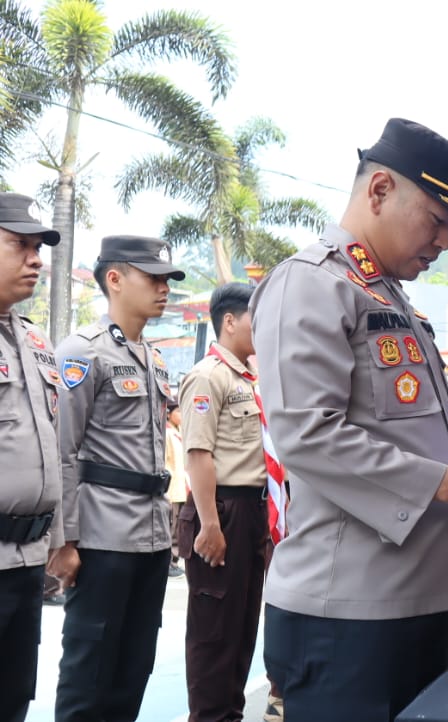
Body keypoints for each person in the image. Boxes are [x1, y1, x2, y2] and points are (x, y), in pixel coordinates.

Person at [250, 117, 448, 721]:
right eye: (438, 220)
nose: (445, 242)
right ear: (378, 191)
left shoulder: (394, 300)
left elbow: (433, 433)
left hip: (413, 603)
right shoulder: (312, 284)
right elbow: (308, 436)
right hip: (344, 613)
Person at [49, 235, 185, 721]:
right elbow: (62, 450)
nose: (163, 289)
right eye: (152, 278)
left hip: (149, 540)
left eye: (167, 280)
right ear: (114, 279)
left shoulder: (151, 358)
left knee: (133, 669)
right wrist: (64, 541)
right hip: (102, 538)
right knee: (90, 673)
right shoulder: (82, 353)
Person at [177, 282, 271, 721]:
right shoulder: (207, 376)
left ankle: (229, 714)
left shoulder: (247, 378)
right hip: (222, 510)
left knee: (241, 630)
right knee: (215, 635)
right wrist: (210, 526)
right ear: (229, 321)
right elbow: (197, 454)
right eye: (256, 315)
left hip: (249, 511)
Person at [0, 192, 62, 721]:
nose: (36, 258)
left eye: (38, 247)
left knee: (14, 697)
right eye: (20, 245)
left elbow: (54, 449)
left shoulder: (36, 342)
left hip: (26, 562)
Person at [164, 405, 187, 577]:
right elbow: (165, 463)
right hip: (172, 489)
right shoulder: (167, 434)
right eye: (177, 411)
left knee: (179, 527)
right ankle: (169, 562)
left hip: (182, 487)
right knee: (172, 527)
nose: (180, 415)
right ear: (169, 414)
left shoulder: (178, 433)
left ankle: (174, 560)